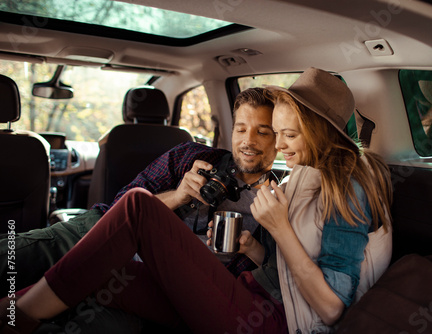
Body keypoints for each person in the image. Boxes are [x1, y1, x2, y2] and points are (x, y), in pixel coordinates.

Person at [0, 68, 392, 334]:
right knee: (105, 272)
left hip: (265, 318)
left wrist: (276, 227)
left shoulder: (343, 184)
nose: (275, 144)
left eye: (281, 135)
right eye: (246, 129)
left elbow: (331, 309)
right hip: (235, 286)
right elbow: (113, 213)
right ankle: (13, 310)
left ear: (317, 131)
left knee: (138, 207)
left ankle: (16, 317)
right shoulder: (198, 158)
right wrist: (254, 245)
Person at [0, 87, 277, 331]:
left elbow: (248, 286)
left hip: (163, 288)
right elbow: (122, 209)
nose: (248, 141)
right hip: (103, 233)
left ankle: (15, 315)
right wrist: (178, 195)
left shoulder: (277, 203)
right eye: (241, 129)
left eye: (262, 132)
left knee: (96, 322)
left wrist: (249, 248)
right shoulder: (192, 156)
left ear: (279, 139)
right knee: (17, 254)